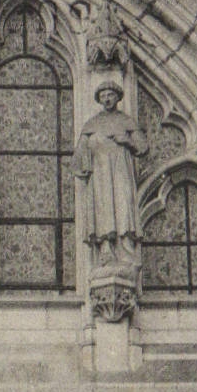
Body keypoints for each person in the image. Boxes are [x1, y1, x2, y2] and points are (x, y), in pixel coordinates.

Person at [72, 80, 146, 267]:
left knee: (124, 204)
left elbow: (143, 147)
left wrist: (127, 141)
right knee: (103, 208)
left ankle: (126, 248)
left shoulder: (125, 121)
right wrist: (84, 160)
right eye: (103, 96)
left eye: (110, 95)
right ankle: (106, 249)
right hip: (100, 174)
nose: (107, 99)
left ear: (117, 97)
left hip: (121, 170)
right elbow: (79, 154)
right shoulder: (92, 123)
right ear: (99, 99)